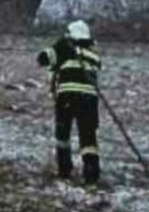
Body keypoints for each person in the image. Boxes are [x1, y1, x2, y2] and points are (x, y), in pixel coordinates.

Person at [37, 20, 102, 186]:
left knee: (63, 134)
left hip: (67, 96)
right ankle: (91, 172)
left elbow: (43, 59)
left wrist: (57, 47)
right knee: (88, 136)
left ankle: (65, 170)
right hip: (89, 99)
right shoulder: (94, 53)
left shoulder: (64, 47)